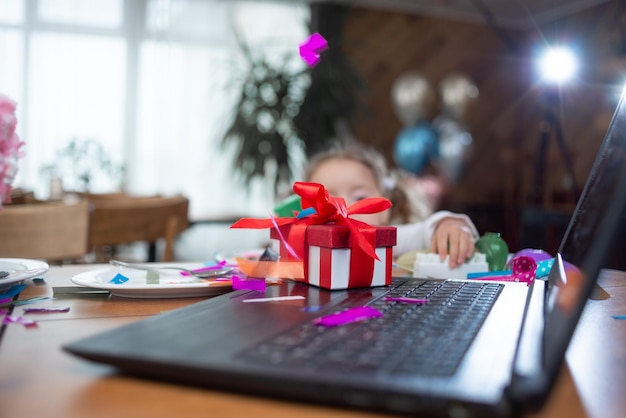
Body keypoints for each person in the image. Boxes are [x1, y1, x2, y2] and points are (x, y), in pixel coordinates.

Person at [304, 144, 478, 269]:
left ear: (384, 210)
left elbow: (425, 231)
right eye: (326, 200)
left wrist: (447, 224)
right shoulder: (303, 242)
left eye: (360, 197)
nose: (343, 207)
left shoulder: (385, 240)